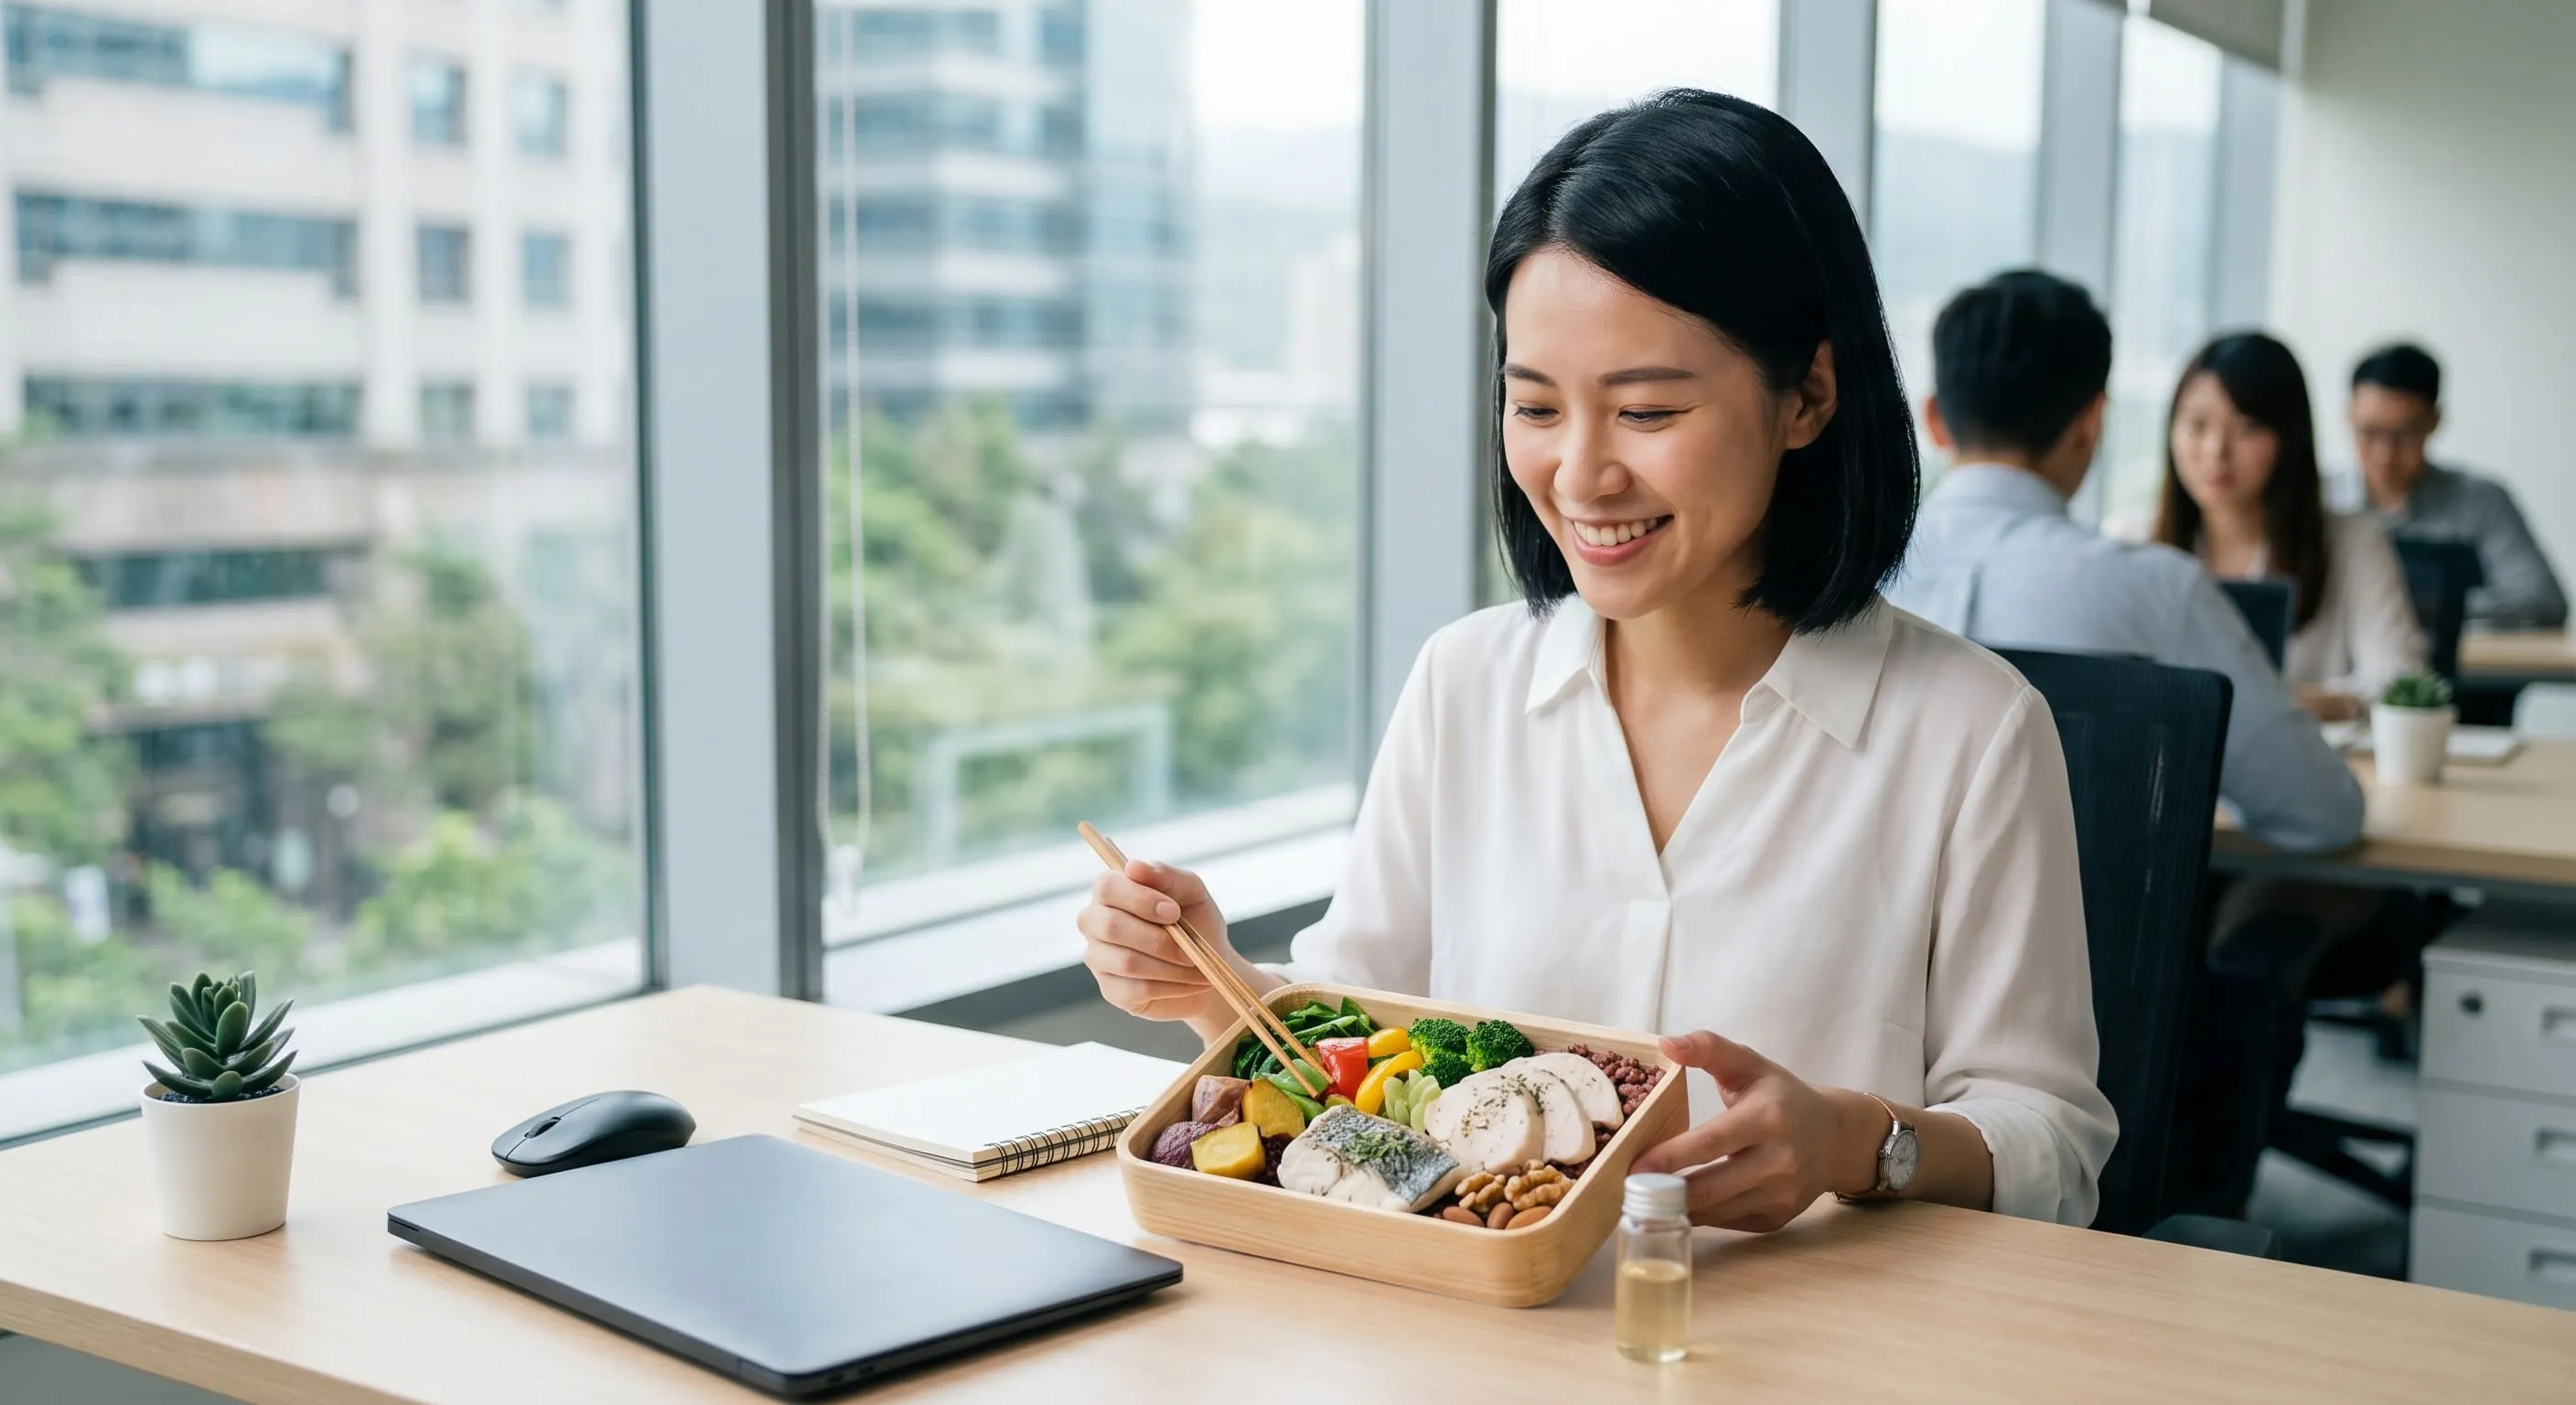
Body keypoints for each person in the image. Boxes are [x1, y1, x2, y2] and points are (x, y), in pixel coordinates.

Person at [1079, 91, 2113, 1231]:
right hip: (1486, 1326)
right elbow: (1354, 1042)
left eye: (1646, 412)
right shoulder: (1463, 683)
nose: (1579, 475)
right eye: (1534, 406)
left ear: (1807, 397)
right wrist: (1210, 984)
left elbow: (2052, 1145)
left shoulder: (1970, 729)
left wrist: (1860, 1143)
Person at [1886, 272, 2363, 853]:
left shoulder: (1837, 576)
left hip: (1871, 943)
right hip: (2082, 946)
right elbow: (2321, 812)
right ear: (2092, 423)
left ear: (1933, 420)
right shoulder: (2159, 589)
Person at [2136, 334, 2427, 721]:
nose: (2215, 450)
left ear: (2289, 438)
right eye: (2197, 424)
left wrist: (2304, 704)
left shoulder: (2353, 543)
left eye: (2247, 428)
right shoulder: (2131, 542)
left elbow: (2401, 683)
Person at [2341, 343, 2566, 629]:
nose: (2384, 455)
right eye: (2370, 432)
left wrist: (2429, 607)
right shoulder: (2318, 502)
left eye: (2404, 434)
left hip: (2461, 672)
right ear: (2349, 416)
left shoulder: (2482, 501)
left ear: (2434, 422)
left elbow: (2543, 598)